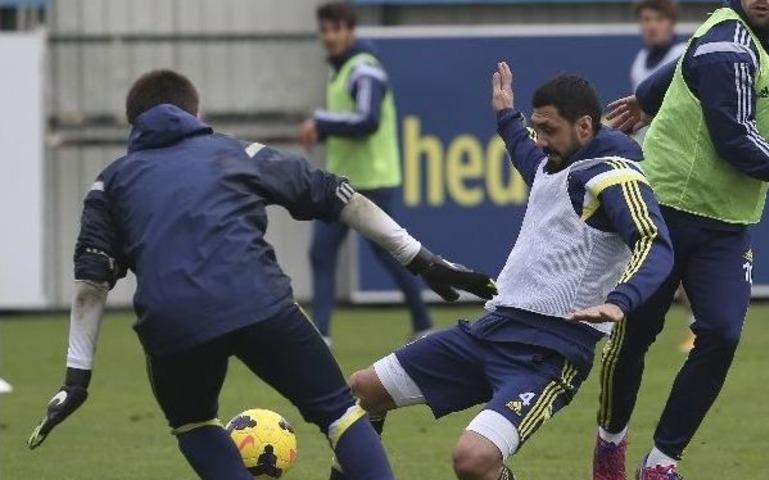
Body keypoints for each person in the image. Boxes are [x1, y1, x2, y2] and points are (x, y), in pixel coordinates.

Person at [26, 69, 497, 480]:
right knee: (339, 413)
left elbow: (92, 282)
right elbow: (338, 195)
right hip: (258, 300)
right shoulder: (237, 152)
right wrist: (422, 259)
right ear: (195, 112)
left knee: (194, 424)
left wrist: (76, 378)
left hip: (173, 324)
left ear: (133, 123)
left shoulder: (110, 182)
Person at [344, 62, 674, 480]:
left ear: (585, 126)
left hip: (548, 354)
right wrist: (506, 114)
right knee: (363, 391)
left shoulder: (615, 176)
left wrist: (621, 301)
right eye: (537, 128)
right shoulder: (552, 165)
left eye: (549, 130)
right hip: (490, 331)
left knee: (472, 459)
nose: (541, 139)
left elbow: (654, 241)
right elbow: (524, 150)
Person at [593, 1, 769, 479]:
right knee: (634, 336)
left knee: (722, 332)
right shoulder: (729, 45)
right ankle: (610, 442)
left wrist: (647, 95)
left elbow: (687, 55)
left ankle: (660, 463)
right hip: (667, 208)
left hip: (726, 222)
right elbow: (736, 143)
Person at [299, 1, 433, 346]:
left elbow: (366, 120)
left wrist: (321, 122)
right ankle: (322, 335)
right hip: (342, 181)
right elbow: (353, 122)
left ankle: (423, 323)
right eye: (324, 30)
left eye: (335, 29)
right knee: (322, 253)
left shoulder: (363, 69)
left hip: (372, 181)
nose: (329, 37)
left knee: (389, 254)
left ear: (350, 31)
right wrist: (324, 130)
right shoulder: (342, 69)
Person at [631, 0, 696, 354]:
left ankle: (698, 324)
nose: (651, 25)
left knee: (677, 251)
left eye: (657, 19)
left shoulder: (682, 56)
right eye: (645, 19)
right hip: (646, 166)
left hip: (676, 167)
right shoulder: (640, 61)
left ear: (671, 23)